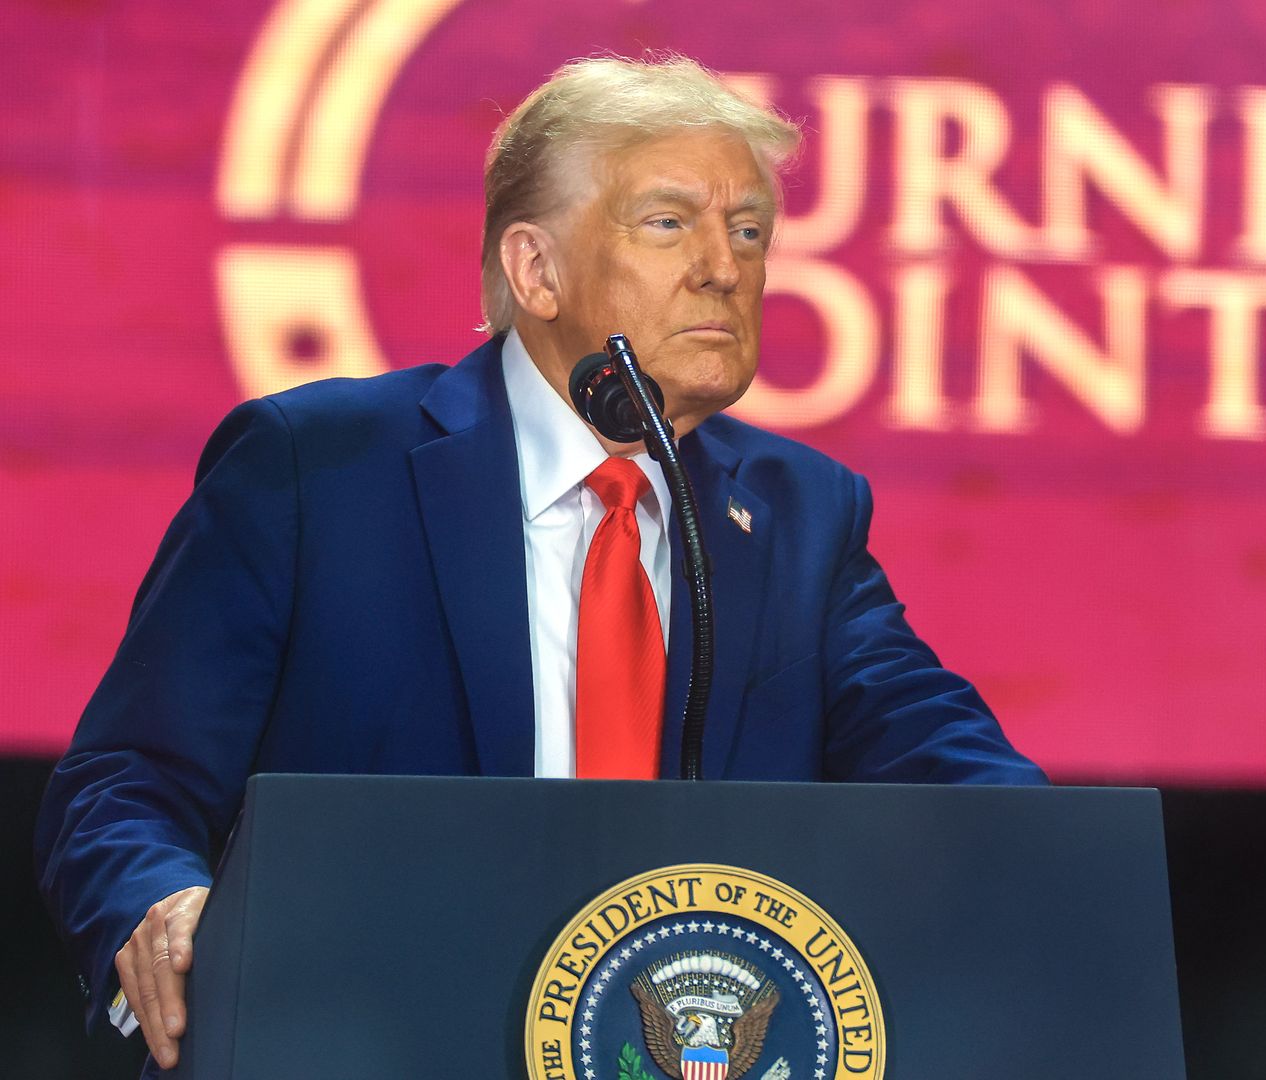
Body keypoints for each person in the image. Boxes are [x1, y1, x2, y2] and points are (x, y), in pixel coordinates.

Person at [34, 54, 1045, 1072]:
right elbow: (130, 778)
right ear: (536, 270)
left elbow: (942, 758)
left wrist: (1071, 872)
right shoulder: (315, 468)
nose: (724, 267)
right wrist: (155, 902)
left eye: (747, 231)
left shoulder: (797, 512)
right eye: (668, 223)